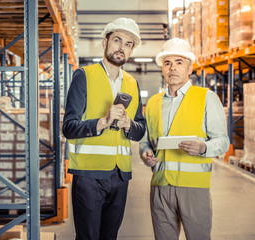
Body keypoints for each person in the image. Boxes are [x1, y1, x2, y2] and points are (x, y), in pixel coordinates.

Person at [62, 18, 146, 239]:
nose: (121, 47)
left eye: (128, 44)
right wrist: (102, 122)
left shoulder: (132, 84)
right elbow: (69, 128)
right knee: (88, 236)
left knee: (110, 236)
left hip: (120, 176)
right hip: (89, 175)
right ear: (105, 42)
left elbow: (140, 130)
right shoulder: (84, 76)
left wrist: (130, 125)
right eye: (117, 40)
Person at [139, 38, 230, 240]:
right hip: (160, 187)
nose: (173, 68)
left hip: (194, 188)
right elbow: (146, 141)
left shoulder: (206, 97)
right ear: (162, 68)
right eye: (167, 63)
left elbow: (223, 141)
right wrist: (145, 153)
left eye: (179, 62)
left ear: (189, 68)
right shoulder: (153, 103)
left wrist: (202, 148)